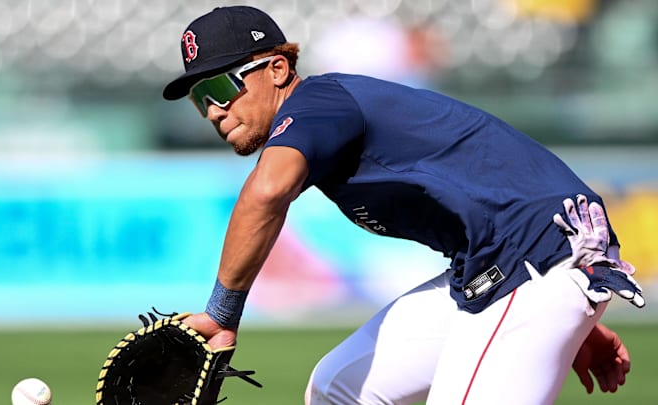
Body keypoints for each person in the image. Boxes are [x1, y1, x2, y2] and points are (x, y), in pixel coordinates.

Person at [161, 6, 644, 404]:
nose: (213, 110)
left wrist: (223, 312)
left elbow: (265, 194)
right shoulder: (324, 125)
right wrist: (563, 321)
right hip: (513, 267)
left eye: (221, 87)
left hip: (537, 256)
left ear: (278, 69)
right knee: (337, 389)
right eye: (199, 99)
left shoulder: (316, 105)